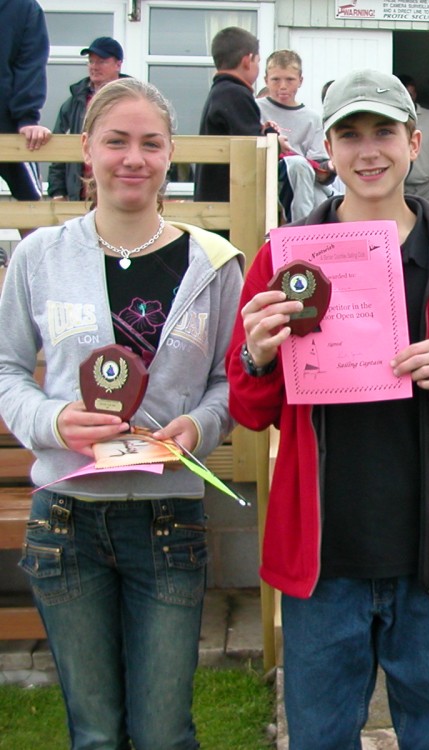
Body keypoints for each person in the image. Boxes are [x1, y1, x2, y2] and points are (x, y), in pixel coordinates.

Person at [227, 69, 429, 749]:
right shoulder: (283, 261)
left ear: (414, 143)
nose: (368, 150)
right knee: (319, 737)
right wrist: (259, 356)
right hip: (323, 561)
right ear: (328, 148)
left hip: (425, 558)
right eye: (350, 134)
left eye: (384, 132)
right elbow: (250, 408)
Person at [0, 78, 243, 749]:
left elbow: (231, 381)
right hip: (65, 525)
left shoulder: (215, 263)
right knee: (97, 736)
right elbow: (6, 371)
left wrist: (199, 427)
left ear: (170, 155)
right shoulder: (38, 257)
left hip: (168, 522)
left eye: (149, 144)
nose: (132, 158)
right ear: (86, 149)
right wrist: (53, 423)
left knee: (164, 735)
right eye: (116, 141)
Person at [256, 49, 337, 222]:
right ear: (265, 81)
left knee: (322, 196)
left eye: (290, 80)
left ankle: (319, 236)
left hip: (305, 181)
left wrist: (330, 166)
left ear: (300, 81)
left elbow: (319, 165)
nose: (283, 86)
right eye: (276, 80)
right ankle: (300, 230)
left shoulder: (312, 118)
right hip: (265, 176)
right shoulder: (255, 108)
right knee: (296, 164)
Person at [48, 36, 127, 202]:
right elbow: (58, 150)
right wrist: (58, 192)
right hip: (80, 197)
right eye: (91, 62)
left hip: (121, 195)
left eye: (101, 62)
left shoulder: (134, 101)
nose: (94, 67)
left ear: (118, 64)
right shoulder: (73, 104)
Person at [195, 27, 266, 205]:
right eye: (257, 61)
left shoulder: (219, 91)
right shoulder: (236, 94)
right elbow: (252, 149)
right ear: (247, 61)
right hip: (229, 203)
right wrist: (273, 138)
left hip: (210, 199)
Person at [0, 0, 50, 202]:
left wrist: (27, 118)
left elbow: (30, 62)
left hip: (8, 123)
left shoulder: (23, 7)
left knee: (31, 202)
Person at [399, 74, 429, 213]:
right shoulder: (391, 122)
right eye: (404, 95)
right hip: (401, 188)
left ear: (415, 95)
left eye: (411, 95)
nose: (408, 100)